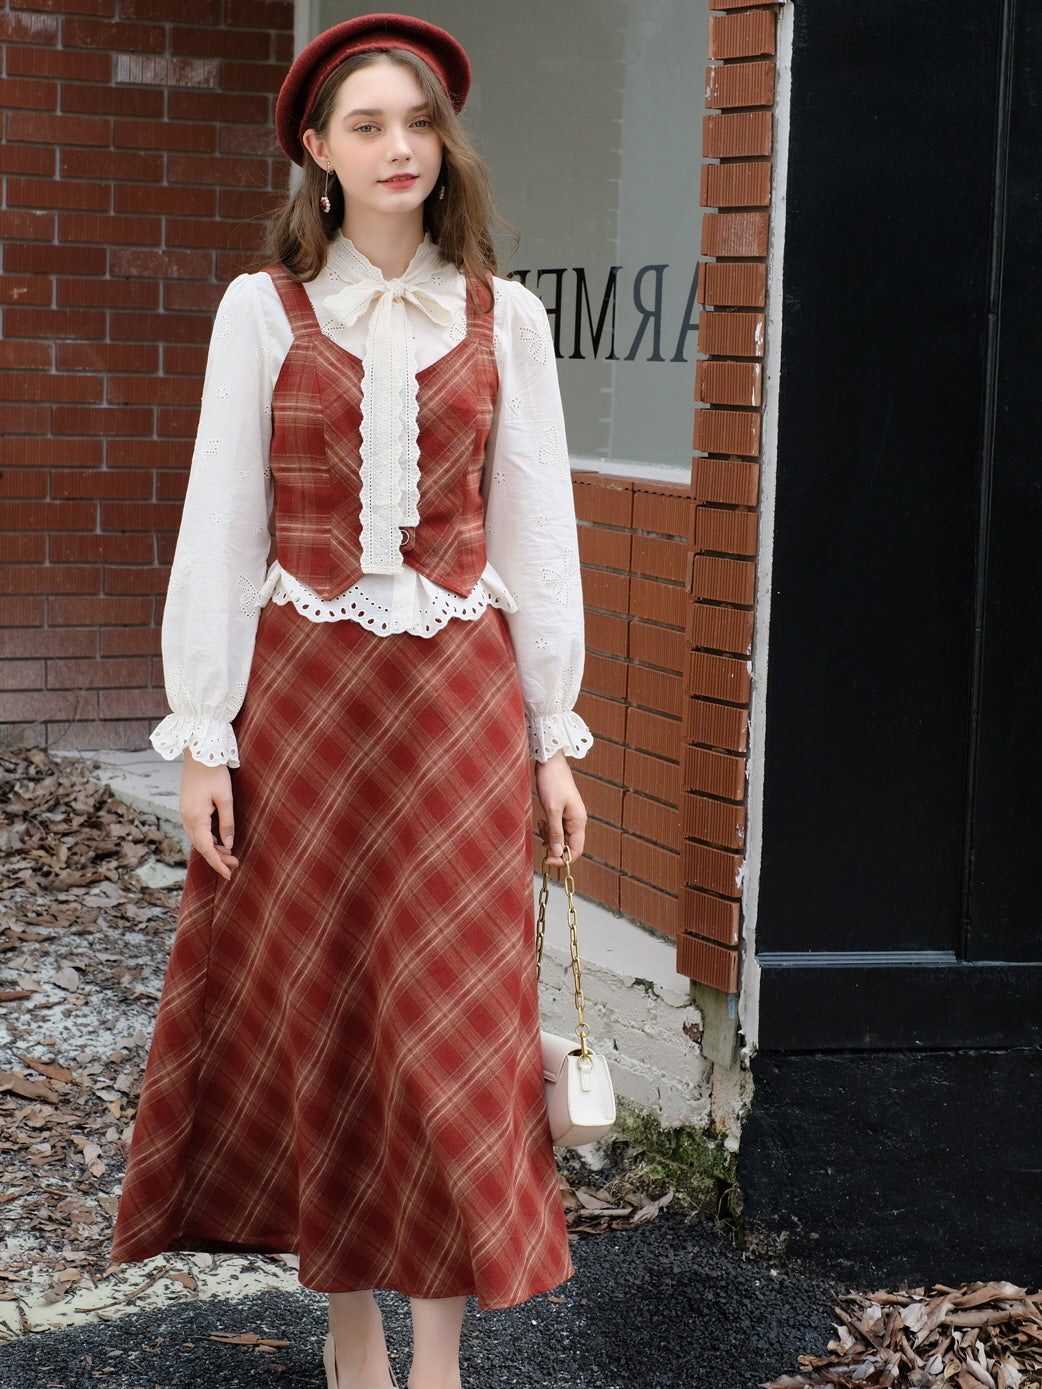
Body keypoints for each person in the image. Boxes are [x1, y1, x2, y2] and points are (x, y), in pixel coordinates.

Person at [110, 14, 593, 1389]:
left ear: (446, 145)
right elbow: (219, 524)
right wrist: (204, 733)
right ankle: (349, 1335)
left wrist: (551, 733)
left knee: (452, 1017)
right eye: (367, 124)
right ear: (314, 153)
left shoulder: (510, 318)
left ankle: (436, 1353)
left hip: (453, 706)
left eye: (418, 122)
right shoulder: (261, 309)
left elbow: (534, 535)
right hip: (306, 704)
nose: (398, 146)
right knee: (324, 1008)